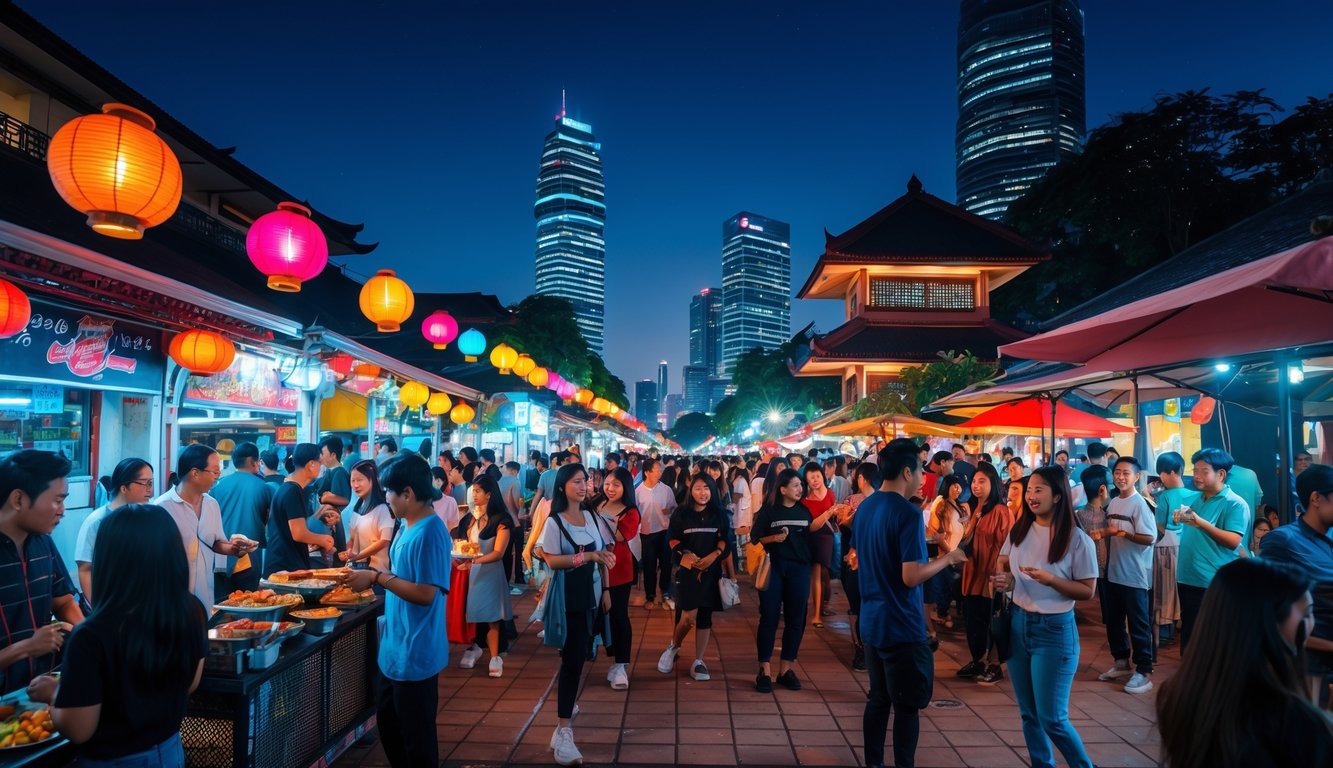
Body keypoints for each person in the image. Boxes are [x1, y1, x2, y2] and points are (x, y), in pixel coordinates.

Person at [27, 504, 205, 766]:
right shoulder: (192, 610)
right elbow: (190, 683)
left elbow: (79, 729)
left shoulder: (91, 635)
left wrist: (55, 693)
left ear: (110, 559)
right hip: (170, 752)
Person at [1156, 558, 1333, 767]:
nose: (1311, 624)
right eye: (1308, 612)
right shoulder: (1294, 721)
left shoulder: (1176, 695)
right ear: (1271, 622)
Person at [856, 439, 968, 768]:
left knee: (878, 699)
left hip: (872, 621)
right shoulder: (907, 513)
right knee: (907, 706)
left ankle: (873, 763)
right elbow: (911, 575)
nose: (923, 476)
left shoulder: (867, 507)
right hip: (902, 626)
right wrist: (949, 559)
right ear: (906, 471)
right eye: (921, 469)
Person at [342, 454, 449, 767]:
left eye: (389, 491)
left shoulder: (430, 532)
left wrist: (376, 577)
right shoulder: (407, 525)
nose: (385, 498)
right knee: (391, 729)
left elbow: (426, 593)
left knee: (417, 742)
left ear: (408, 494)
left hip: (416, 653)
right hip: (396, 649)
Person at [994, 466, 1097, 768]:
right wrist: (1006, 582)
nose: (1031, 496)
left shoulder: (1078, 540)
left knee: (1052, 718)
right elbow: (1005, 566)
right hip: (1017, 624)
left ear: (1057, 495)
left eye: (1039, 490)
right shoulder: (1019, 531)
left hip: (1054, 631)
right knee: (1029, 713)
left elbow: (1087, 591)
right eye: (1028, 490)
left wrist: (1050, 579)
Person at [535, 463, 616, 767]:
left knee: (580, 656)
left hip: (591, 596)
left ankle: (564, 724)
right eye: (576, 482)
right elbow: (552, 561)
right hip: (567, 598)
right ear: (561, 487)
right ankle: (563, 730)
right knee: (571, 662)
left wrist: (606, 590)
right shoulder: (555, 522)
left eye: (585, 481)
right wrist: (589, 556)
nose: (583, 487)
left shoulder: (592, 517)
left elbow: (603, 557)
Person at [750, 468, 838, 693]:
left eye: (801, 485)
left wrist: (830, 514)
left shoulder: (803, 511)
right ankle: (765, 669)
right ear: (783, 489)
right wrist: (774, 538)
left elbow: (810, 532)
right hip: (775, 568)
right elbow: (755, 537)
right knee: (769, 617)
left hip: (799, 570)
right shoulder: (769, 511)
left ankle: (785, 669)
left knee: (796, 620)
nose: (801, 488)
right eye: (796, 485)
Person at [0, 450, 81, 691]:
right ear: (18, 500)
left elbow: (63, 601)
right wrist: (26, 647)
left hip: (38, 693)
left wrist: (87, 634)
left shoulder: (42, 542)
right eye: (57, 500)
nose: (63, 510)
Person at [1259, 463, 1333, 702]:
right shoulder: (1283, 541)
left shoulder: (1328, 538)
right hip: (1309, 665)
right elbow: (1270, 616)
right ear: (1316, 498)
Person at [153, 445, 253, 608]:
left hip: (205, 592)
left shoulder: (211, 504)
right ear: (195, 473)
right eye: (214, 471)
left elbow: (215, 542)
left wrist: (234, 549)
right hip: (171, 595)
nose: (217, 476)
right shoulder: (162, 508)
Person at [657, 474, 731, 682]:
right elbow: (671, 538)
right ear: (691, 490)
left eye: (706, 488)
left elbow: (726, 539)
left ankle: (699, 661)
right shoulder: (682, 513)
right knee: (688, 616)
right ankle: (674, 646)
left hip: (711, 571)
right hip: (688, 571)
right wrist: (685, 553)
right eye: (698, 488)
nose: (703, 493)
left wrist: (715, 555)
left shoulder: (719, 514)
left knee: (705, 617)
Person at [1176, 448, 1250, 650]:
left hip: (1212, 580)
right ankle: (1191, 678)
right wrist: (1181, 519)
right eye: (1195, 470)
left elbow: (1234, 541)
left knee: (1211, 640)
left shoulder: (1235, 504)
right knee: (1190, 636)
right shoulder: (1197, 499)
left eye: (1204, 471)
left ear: (1221, 474)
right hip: (1187, 577)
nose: (1197, 476)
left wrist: (1200, 522)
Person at [1098, 457, 1157, 694]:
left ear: (1137, 476)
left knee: (1138, 623)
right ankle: (1121, 662)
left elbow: (1149, 538)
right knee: (1113, 621)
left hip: (1135, 575)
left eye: (1126, 473)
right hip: (1114, 573)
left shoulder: (1140, 504)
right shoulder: (1113, 503)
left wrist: (1120, 532)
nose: (1121, 477)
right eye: (1117, 473)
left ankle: (1143, 670)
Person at [957, 461, 1015, 684]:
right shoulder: (976, 510)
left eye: (982, 481)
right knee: (974, 622)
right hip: (973, 574)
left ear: (994, 483)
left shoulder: (1002, 512)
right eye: (974, 481)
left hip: (991, 576)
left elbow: (1008, 548)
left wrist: (1003, 577)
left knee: (993, 622)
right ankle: (978, 660)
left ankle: (995, 664)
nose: (976, 485)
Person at [455, 475, 513, 678]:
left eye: (478, 491)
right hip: (468, 572)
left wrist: (474, 562)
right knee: (467, 612)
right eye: (473, 491)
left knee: (492, 616)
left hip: (489, 572)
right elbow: (460, 543)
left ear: (489, 494)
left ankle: (495, 656)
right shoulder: (469, 518)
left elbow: (499, 553)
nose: (474, 495)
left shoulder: (501, 520)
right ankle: (473, 647)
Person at [75, 457, 154, 604]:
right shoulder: (97, 521)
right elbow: (85, 568)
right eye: (145, 483)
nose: (150, 489)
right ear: (124, 488)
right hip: (109, 605)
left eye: (151, 483)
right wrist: (97, 607)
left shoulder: (148, 518)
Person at [596, 466, 640, 690]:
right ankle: (602, 651)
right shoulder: (597, 502)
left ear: (626, 487)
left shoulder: (630, 511)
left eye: (616, 485)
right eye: (607, 483)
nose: (610, 488)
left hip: (619, 570)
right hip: (595, 567)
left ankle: (621, 664)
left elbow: (623, 536)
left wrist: (600, 518)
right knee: (597, 614)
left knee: (619, 615)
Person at [263, 443, 335, 577]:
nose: (321, 467)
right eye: (320, 462)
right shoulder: (293, 491)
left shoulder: (288, 488)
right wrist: (323, 539)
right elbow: (298, 533)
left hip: (281, 563)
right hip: (285, 567)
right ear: (311, 464)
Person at [209, 443, 271, 596]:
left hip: (220, 558)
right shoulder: (262, 487)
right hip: (248, 558)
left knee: (222, 609)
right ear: (252, 461)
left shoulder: (217, 486)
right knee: (247, 608)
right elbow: (268, 521)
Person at [838, 462, 881, 670]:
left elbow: (845, 525)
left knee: (856, 608)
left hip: (856, 562)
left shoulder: (859, 502)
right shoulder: (885, 503)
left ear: (862, 478)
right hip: (871, 564)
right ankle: (867, 650)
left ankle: (861, 650)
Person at [1152, 452, 1191, 646]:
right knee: (1182, 589)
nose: (1161, 478)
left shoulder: (1164, 496)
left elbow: (1159, 527)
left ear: (1173, 472)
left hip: (1165, 548)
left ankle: (1165, 632)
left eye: (1162, 474)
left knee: (1164, 591)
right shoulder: (1195, 494)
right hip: (1186, 549)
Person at [927, 474, 968, 629]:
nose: (958, 489)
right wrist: (948, 550)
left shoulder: (958, 505)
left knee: (950, 585)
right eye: (954, 486)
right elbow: (936, 533)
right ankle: (941, 613)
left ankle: (942, 612)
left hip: (955, 552)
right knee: (944, 585)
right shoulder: (941, 504)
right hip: (945, 554)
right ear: (947, 486)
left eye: (959, 486)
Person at [635, 458, 677, 610]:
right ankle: (650, 596)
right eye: (657, 469)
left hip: (664, 531)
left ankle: (665, 591)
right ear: (647, 472)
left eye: (660, 469)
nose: (660, 472)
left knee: (666, 564)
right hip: (646, 534)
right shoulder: (638, 491)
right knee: (649, 565)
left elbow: (674, 508)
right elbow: (635, 513)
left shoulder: (666, 490)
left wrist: (670, 511)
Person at [340, 460, 394, 573]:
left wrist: (358, 556)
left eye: (360, 480)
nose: (355, 485)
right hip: (354, 567)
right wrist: (349, 551)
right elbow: (353, 539)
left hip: (375, 570)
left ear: (372, 481)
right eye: (352, 480)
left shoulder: (383, 508)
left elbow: (384, 540)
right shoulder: (358, 507)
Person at [803, 462, 837, 628]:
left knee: (824, 573)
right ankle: (817, 614)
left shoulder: (830, 493)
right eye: (811, 478)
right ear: (807, 481)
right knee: (816, 572)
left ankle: (824, 604)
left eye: (817, 476)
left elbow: (834, 517)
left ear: (822, 475)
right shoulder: (806, 500)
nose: (815, 480)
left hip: (827, 536)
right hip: (813, 536)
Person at [431, 466, 461, 531]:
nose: (436, 483)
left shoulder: (450, 502)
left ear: (443, 482)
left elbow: (454, 528)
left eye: (439, 480)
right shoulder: (422, 503)